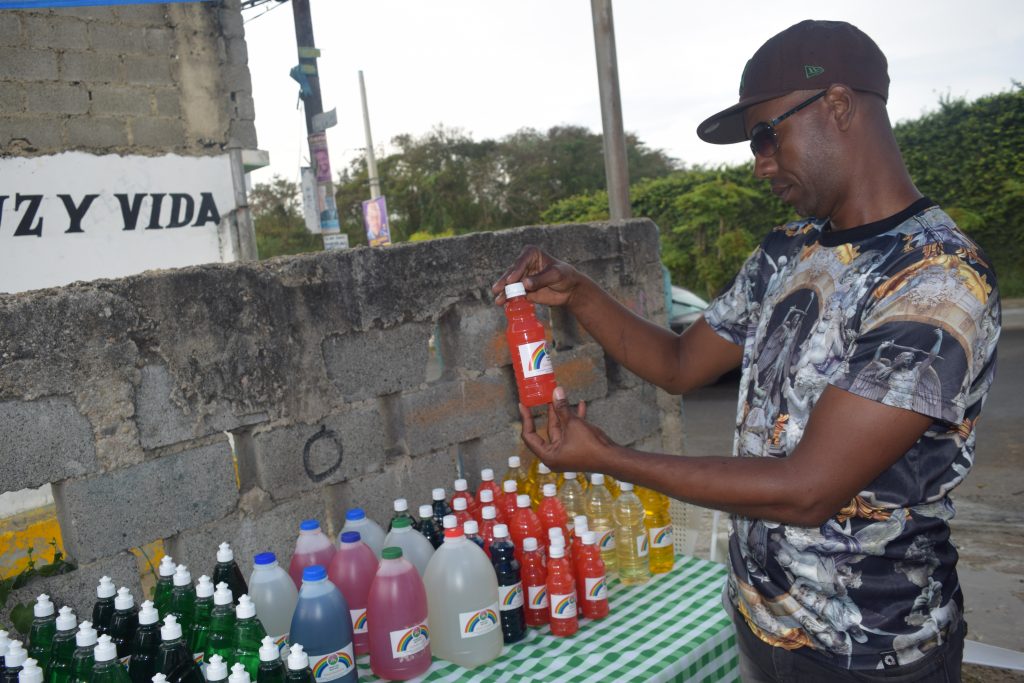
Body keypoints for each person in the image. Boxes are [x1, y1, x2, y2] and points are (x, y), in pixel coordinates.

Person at [491, 20, 1000, 682]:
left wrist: (610, 459)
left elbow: (807, 489)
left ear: (839, 106)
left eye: (767, 136)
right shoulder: (787, 250)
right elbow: (680, 365)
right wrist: (580, 292)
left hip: (872, 653)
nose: (759, 162)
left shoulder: (937, 281)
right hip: (763, 622)